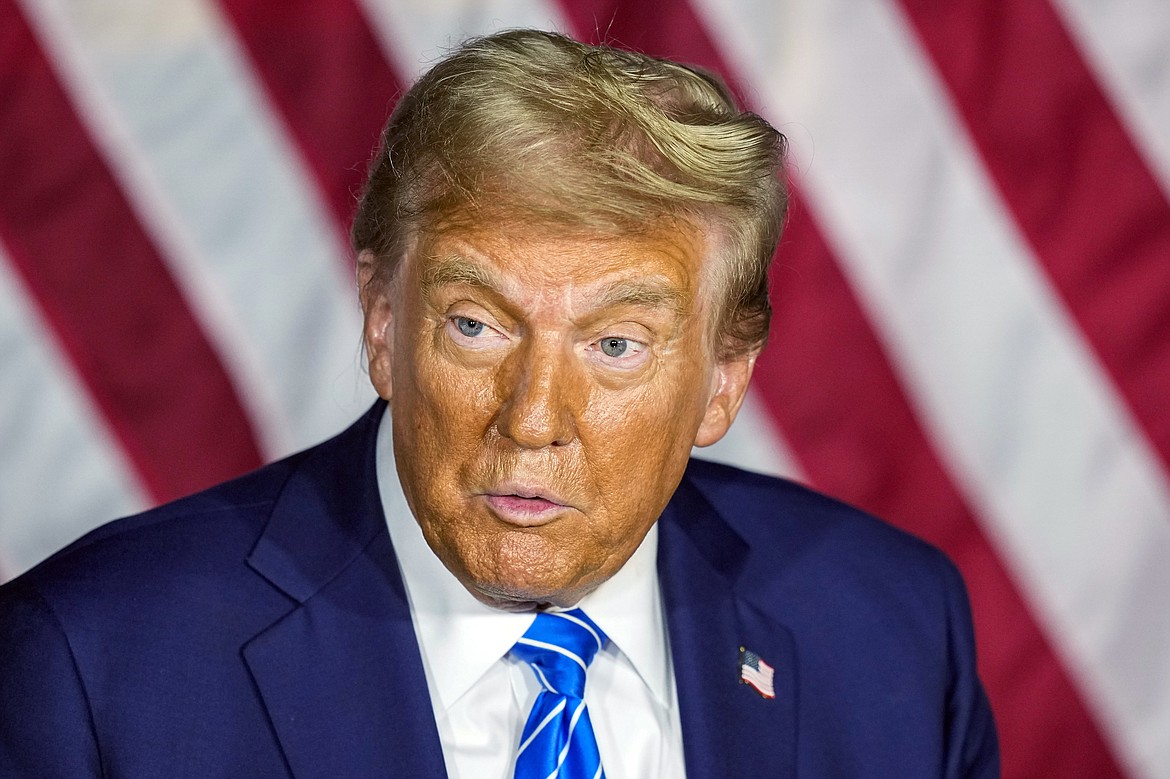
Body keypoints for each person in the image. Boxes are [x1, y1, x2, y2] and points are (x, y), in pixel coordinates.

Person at [0, 29, 998, 778]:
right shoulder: (94, 666)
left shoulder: (891, 631)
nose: (531, 417)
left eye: (615, 343)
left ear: (723, 381)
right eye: (477, 324)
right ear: (384, 325)